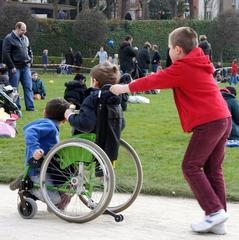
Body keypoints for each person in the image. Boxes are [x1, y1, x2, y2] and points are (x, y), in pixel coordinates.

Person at [110, 27, 231, 235]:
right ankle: (217, 219)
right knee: (213, 169)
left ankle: (214, 211)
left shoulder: (183, 67)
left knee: (190, 166)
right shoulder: (198, 61)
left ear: (177, 49)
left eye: (168, 48)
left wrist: (123, 88)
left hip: (210, 122)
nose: (167, 52)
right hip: (223, 119)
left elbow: (154, 80)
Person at [9, 98, 70, 202]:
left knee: (60, 196)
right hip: (37, 168)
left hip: (45, 166)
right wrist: (35, 149)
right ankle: (29, 190)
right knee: (55, 201)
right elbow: (30, 131)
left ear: (44, 111)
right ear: (65, 119)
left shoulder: (52, 126)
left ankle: (25, 178)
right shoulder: (49, 125)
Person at [64, 61, 124, 167]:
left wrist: (69, 116)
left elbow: (86, 124)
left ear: (95, 81)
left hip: (91, 144)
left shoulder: (92, 98)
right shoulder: (116, 99)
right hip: (110, 146)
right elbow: (121, 124)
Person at [2, 22, 35, 111]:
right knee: (14, 89)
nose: (24, 32)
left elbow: (29, 50)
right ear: (17, 28)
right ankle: (16, 108)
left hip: (26, 67)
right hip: (15, 68)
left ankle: (30, 108)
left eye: (25, 30)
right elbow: (5, 54)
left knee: (28, 87)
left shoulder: (25, 38)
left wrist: (30, 60)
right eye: (22, 30)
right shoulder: (9, 38)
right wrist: (11, 66)